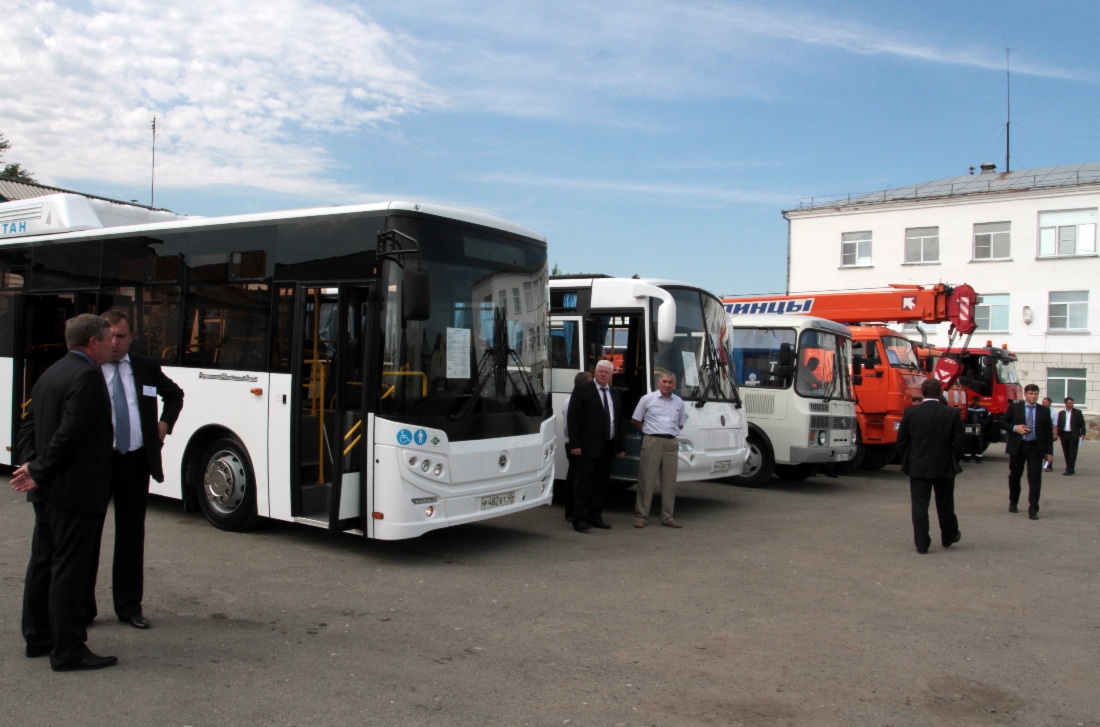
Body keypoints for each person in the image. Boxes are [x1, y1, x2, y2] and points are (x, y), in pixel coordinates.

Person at [12, 314, 118, 671]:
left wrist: (32, 468)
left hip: (49, 490)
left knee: (43, 562)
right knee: (69, 569)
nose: (112, 345)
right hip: (76, 490)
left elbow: (29, 427)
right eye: (107, 339)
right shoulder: (87, 375)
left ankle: (38, 637)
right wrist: (37, 470)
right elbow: (71, 432)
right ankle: (68, 649)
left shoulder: (50, 372)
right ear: (92, 342)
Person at [85, 310, 184, 630]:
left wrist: (164, 424)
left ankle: (129, 606)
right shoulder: (89, 367)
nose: (115, 342)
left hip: (134, 460)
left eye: (121, 336)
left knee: (131, 536)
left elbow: (175, 395)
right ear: (99, 337)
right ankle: (83, 607)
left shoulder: (145, 367)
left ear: (131, 337)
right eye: (110, 335)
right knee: (88, 536)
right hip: (97, 462)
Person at [896, 378, 964, 554]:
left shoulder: (910, 413)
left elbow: (901, 441)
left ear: (922, 393)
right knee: (945, 504)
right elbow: (958, 443)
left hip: (918, 466)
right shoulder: (951, 413)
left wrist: (910, 458)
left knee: (919, 506)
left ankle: (922, 544)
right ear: (940, 392)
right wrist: (953, 459)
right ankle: (948, 537)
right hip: (944, 466)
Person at [566, 359, 625, 533]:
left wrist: (620, 445)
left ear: (611, 375)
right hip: (586, 446)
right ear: (595, 373)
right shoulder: (583, 390)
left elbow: (618, 420)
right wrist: (574, 444)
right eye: (600, 371)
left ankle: (595, 516)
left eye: (607, 372)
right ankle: (580, 519)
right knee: (583, 484)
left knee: (601, 484)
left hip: (607, 446)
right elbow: (573, 418)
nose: (603, 374)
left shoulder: (614, 392)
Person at [632, 371, 687, 529]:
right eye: (664, 381)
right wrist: (648, 432)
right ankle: (641, 516)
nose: (667, 384)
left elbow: (681, 423)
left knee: (669, 482)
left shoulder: (679, 402)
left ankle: (667, 516)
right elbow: (635, 420)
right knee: (646, 480)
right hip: (652, 441)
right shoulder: (647, 399)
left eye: (670, 382)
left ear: (674, 385)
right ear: (658, 382)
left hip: (671, 443)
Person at [1000, 383, 1053, 520]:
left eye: (1036, 394)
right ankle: (1013, 502)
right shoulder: (1015, 408)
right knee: (1015, 475)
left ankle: (1033, 508)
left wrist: (1049, 453)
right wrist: (1015, 428)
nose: (1034, 396)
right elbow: (1003, 422)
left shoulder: (1044, 411)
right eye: (1031, 394)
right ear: (1025, 394)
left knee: (1035, 478)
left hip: (1035, 447)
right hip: (1018, 446)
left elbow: (1048, 433)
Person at [560, 370, 593, 522]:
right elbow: (569, 426)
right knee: (574, 478)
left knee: (579, 478)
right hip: (574, 444)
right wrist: (574, 444)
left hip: (579, 443)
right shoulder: (571, 401)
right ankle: (571, 512)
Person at [1056, 397, 1086, 475]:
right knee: (1066, 452)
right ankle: (1069, 468)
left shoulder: (1077, 412)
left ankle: (1069, 469)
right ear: (1065, 403)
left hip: (1074, 434)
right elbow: (1058, 424)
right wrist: (1058, 433)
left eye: (1072, 403)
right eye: (1069, 403)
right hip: (1064, 435)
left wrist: (1083, 433)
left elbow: (1082, 424)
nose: (1071, 405)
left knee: (1072, 452)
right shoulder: (1061, 413)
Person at [963, 396, 989, 464]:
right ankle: (967, 458)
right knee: (968, 442)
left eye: (977, 401)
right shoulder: (968, 407)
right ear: (972, 400)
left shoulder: (983, 408)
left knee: (978, 442)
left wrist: (984, 423)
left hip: (978, 427)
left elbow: (988, 415)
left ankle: (979, 458)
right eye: (975, 401)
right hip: (969, 426)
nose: (976, 402)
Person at [1042, 397, 1057, 471]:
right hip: (1040, 433)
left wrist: (1055, 434)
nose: (1044, 403)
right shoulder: (1040, 410)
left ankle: (1048, 466)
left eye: (1045, 402)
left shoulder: (1053, 412)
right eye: (1043, 402)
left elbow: (1055, 424)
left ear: (1050, 403)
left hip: (1048, 433)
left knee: (1049, 450)